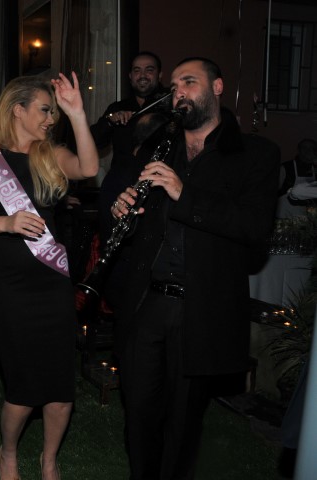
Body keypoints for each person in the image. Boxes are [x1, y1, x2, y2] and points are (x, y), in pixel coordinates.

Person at [111, 57, 280, 480]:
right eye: (174, 86)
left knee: (183, 422)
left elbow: (254, 227)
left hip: (201, 308)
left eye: (189, 82)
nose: (178, 92)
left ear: (217, 87)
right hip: (147, 302)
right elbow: (143, 219)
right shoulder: (160, 147)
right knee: (139, 414)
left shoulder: (255, 154)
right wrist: (124, 209)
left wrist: (183, 193)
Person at [0, 73, 99, 480]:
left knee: (60, 386)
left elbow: (89, 167)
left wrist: (77, 113)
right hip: (6, 289)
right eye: (45, 110)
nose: (50, 119)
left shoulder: (49, 154)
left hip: (51, 284)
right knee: (24, 388)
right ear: (17, 109)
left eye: (54, 112)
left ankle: (49, 460)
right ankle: (8, 453)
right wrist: (6, 223)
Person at [89, 51, 171, 311]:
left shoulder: (170, 106)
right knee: (112, 248)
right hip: (118, 185)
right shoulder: (118, 107)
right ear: (129, 76)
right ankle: (114, 307)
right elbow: (91, 141)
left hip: (154, 189)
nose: (142, 75)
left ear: (160, 75)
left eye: (149, 69)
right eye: (137, 70)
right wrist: (109, 121)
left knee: (146, 250)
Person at [276, 138, 317, 217]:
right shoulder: (286, 167)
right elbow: (274, 190)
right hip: (286, 212)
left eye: (312, 148)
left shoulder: (315, 168)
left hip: (308, 214)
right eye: (305, 148)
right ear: (299, 150)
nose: (308, 151)